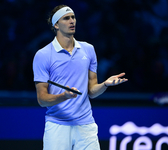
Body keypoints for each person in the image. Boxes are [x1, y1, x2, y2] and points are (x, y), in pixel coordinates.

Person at [32, 4, 128, 150]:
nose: (72, 21)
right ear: (56, 25)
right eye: (66, 18)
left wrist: (105, 84)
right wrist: (64, 96)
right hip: (57, 126)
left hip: (86, 125)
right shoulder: (43, 55)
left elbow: (92, 91)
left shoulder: (88, 49)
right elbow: (42, 100)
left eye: (73, 17)